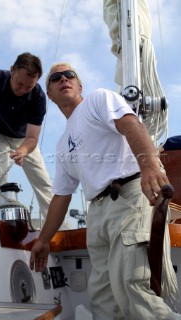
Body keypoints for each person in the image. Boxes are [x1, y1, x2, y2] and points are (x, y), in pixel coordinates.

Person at [30, 62, 179, 320]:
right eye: (56, 78)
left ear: (79, 85)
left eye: (70, 75)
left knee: (132, 288)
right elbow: (62, 196)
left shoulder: (98, 100)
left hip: (129, 196)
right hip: (97, 213)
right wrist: (43, 240)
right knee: (103, 300)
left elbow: (131, 124)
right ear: (50, 94)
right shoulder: (62, 143)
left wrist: (150, 167)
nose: (64, 79)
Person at [0, 52, 52, 221]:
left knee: (43, 181)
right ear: (12, 70)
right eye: (19, 84)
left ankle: (59, 228)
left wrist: (23, 150)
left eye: (28, 87)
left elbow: (32, 138)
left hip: (24, 139)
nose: (22, 90)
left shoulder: (38, 98)